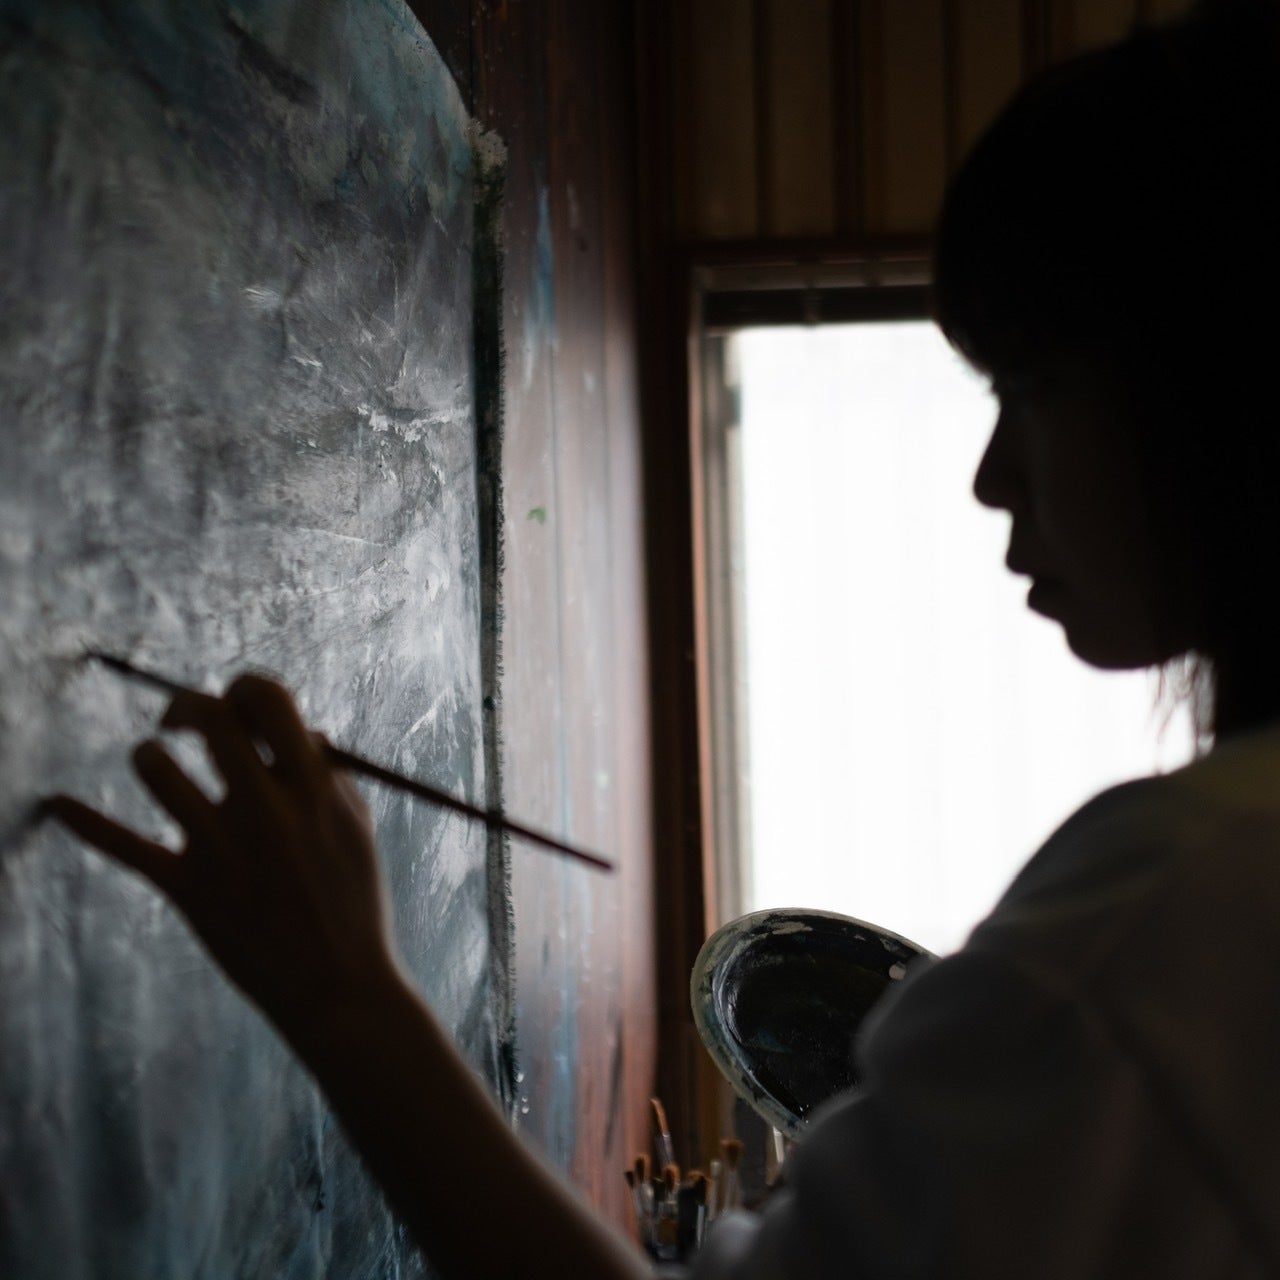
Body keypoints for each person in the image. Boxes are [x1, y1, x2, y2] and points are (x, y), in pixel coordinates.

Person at [46, 0, 1280, 1274]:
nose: (988, 474)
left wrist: (341, 993)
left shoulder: (1179, 909)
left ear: (1212, 386)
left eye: (1031, 384)